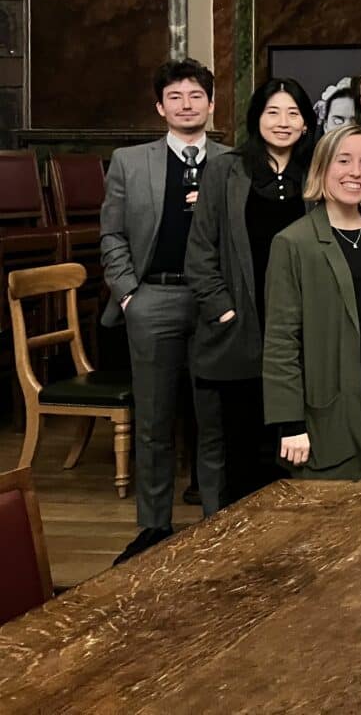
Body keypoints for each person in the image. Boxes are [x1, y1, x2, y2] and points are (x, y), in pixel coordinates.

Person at [100, 59, 229, 563]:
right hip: (152, 297)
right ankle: (154, 526)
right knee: (153, 422)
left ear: (211, 103)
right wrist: (129, 293)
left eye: (196, 95)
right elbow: (111, 233)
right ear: (160, 107)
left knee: (213, 420)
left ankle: (220, 524)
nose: (186, 104)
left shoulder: (230, 161)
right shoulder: (130, 162)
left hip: (213, 303)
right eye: (175, 96)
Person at [263, 125, 361, 481]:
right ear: (322, 167)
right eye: (344, 160)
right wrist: (290, 423)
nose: (356, 172)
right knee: (333, 526)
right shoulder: (293, 242)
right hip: (328, 410)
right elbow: (280, 341)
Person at [186, 79, 316, 507]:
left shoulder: (316, 170)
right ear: (256, 118)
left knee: (287, 446)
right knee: (237, 446)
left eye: (293, 113)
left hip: (296, 324)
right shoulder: (226, 169)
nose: (283, 122)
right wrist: (223, 309)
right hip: (238, 322)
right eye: (273, 112)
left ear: (306, 121)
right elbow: (201, 248)